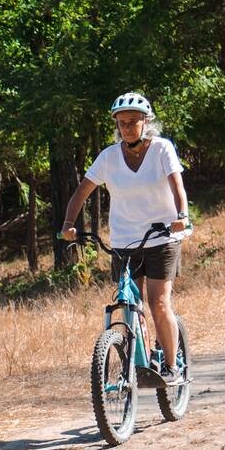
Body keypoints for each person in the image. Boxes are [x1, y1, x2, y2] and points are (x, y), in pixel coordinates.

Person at [59, 92, 190, 383]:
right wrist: (68, 224)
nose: (127, 128)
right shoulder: (109, 157)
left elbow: (177, 186)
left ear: (146, 121)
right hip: (124, 241)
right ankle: (140, 362)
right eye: (122, 123)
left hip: (162, 237)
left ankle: (171, 366)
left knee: (158, 302)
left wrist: (182, 216)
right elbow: (82, 191)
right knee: (131, 303)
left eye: (133, 121)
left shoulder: (162, 149)